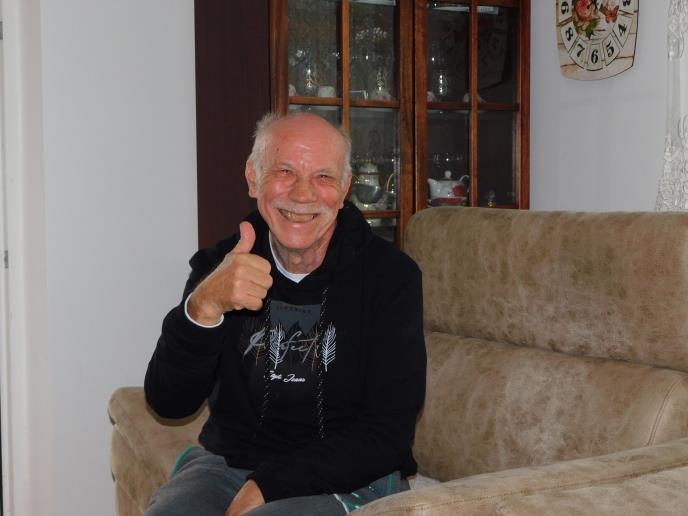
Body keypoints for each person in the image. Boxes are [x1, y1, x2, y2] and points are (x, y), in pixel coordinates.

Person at [144, 112, 426, 515]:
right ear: (253, 177)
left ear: (344, 188)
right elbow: (168, 402)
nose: (303, 194)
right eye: (285, 171)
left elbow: (388, 433)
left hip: (351, 474)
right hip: (231, 465)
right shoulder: (221, 268)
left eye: (323, 177)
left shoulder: (391, 277)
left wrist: (270, 485)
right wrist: (202, 308)